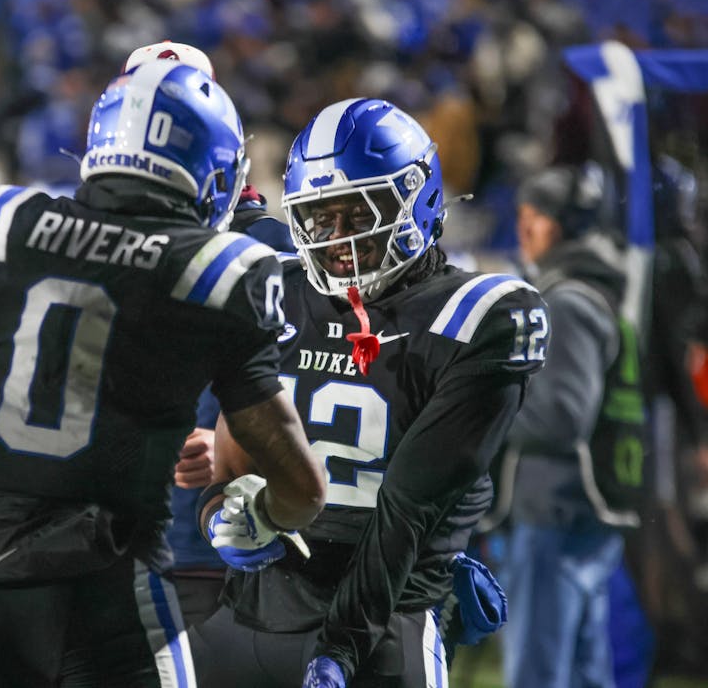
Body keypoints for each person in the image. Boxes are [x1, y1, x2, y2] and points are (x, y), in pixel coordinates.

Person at [0, 59, 326, 687]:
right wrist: (263, 507)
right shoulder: (219, 271)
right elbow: (304, 488)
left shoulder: (4, 224)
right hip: (114, 594)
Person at [190, 98, 549, 688]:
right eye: (321, 218)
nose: (338, 241)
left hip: (389, 614)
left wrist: (342, 649)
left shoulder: (478, 316)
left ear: (420, 197)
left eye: (359, 216)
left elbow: (407, 511)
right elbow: (235, 453)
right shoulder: (278, 281)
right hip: (256, 605)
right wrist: (219, 517)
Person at [122, 40, 298, 628]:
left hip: (222, 539)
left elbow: (323, 384)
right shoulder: (94, 238)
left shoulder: (277, 249)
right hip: (110, 537)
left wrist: (232, 441)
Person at [486, 165, 628, 688]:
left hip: (556, 507)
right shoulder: (597, 288)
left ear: (566, 226)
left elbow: (562, 417)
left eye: (538, 218)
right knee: (586, 670)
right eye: (521, 217)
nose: (524, 229)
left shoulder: (567, 300)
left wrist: (483, 410)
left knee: (537, 671)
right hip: (583, 505)